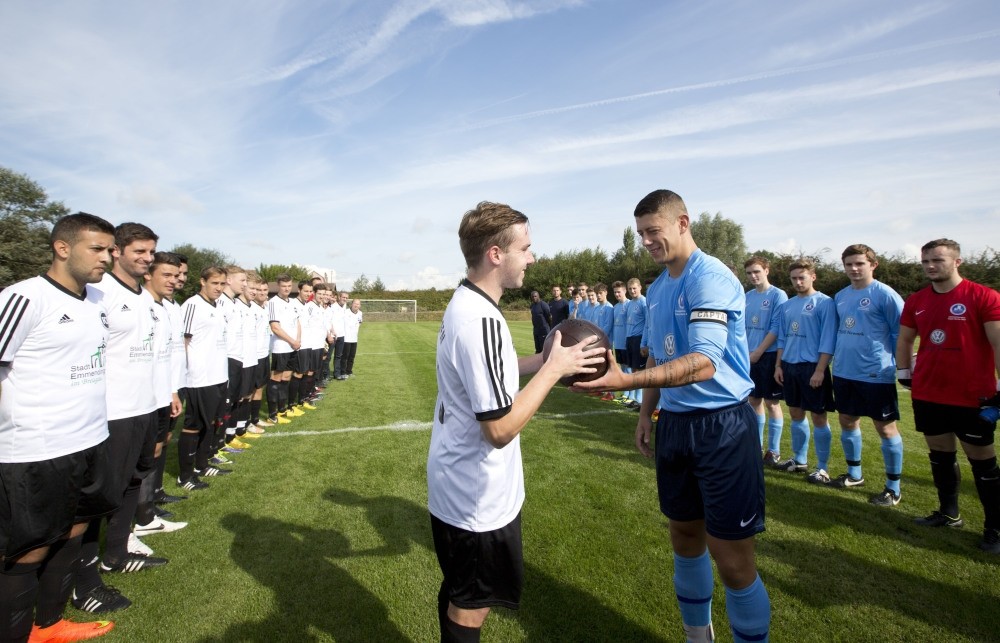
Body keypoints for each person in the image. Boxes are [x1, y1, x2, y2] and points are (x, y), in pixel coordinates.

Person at [575, 190, 770, 643]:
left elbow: (703, 361)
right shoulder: (660, 287)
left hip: (722, 425)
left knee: (733, 558)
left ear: (682, 222)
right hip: (676, 426)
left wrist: (624, 384)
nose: (645, 241)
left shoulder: (711, 277)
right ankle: (697, 637)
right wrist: (647, 413)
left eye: (652, 231)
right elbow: (658, 358)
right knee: (684, 536)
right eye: (641, 234)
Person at [427, 201, 603, 643]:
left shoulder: (470, 303)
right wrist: (552, 371)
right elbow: (500, 429)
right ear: (495, 254)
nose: (532, 257)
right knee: (471, 608)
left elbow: (494, 371)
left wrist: (543, 359)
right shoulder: (480, 320)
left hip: (459, 484)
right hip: (476, 497)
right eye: (525, 248)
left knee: (461, 593)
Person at [0, 213, 120, 642]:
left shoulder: (97, 300)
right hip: (37, 449)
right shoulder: (24, 298)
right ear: (62, 248)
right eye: (98, 248)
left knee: (75, 530)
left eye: (110, 249)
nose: (108, 257)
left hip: (90, 439)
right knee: (27, 550)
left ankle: (48, 624)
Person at [74, 222, 167, 616]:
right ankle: (83, 583)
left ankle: (116, 553)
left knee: (132, 482)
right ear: (118, 252)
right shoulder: (99, 294)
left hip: (144, 408)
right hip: (113, 413)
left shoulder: (145, 297)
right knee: (97, 500)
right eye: (139, 252)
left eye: (151, 252)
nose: (146, 259)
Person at [897, 238, 1000, 553]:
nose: (930, 266)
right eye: (926, 260)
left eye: (937, 260)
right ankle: (948, 512)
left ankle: (994, 527)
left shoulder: (984, 296)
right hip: (929, 392)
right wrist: (904, 373)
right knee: (940, 456)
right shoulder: (917, 300)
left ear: (957, 261)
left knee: (982, 463)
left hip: (973, 395)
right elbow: (904, 339)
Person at [830, 244, 905, 506]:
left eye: (859, 263)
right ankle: (854, 474)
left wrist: (901, 365)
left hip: (875, 372)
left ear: (873, 264)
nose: (853, 268)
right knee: (848, 420)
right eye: (849, 264)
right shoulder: (840, 296)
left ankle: (893, 488)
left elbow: (901, 334)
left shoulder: (885, 295)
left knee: (885, 428)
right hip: (844, 372)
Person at [773, 258, 836, 478]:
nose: (798, 282)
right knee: (795, 413)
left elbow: (828, 340)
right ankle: (799, 461)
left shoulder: (825, 303)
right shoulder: (787, 305)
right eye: (794, 278)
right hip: (789, 367)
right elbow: (782, 338)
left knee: (819, 416)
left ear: (813, 276)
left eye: (802, 277)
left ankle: (822, 467)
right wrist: (778, 365)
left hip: (812, 367)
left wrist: (820, 370)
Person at [178, 266, 232, 490]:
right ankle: (185, 475)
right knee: (194, 425)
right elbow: (183, 341)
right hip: (199, 377)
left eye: (222, 284)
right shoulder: (192, 305)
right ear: (202, 281)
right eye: (214, 283)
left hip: (218, 374)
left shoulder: (218, 306)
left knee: (210, 423)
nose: (219, 288)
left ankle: (202, 465)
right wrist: (187, 372)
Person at [743, 257, 788, 465]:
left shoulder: (778, 295)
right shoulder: (747, 296)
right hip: (748, 354)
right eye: (750, 273)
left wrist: (759, 351)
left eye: (757, 272)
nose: (753, 276)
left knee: (772, 402)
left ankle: (774, 450)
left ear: (766, 270)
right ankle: (756, 444)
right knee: (753, 401)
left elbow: (777, 328)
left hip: (767, 355)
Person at [266, 275, 301, 423]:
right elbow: (275, 327)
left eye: (289, 286)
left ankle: (282, 410)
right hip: (281, 347)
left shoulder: (292, 302)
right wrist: (292, 341)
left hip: (293, 347)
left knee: (286, 378)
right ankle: (272, 414)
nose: (286, 288)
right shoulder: (273, 303)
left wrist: (298, 340)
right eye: (283, 286)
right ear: (278, 286)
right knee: (276, 379)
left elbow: (297, 323)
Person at [623, 277, 647, 409]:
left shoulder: (644, 302)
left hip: (639, 338)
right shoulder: (630, 303)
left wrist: (645, 342)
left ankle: (640, 399)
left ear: (640, 288)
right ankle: (633, 397)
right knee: (633, 368)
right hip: (630, 339)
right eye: (630, 289)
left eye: (634, 288)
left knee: (640, 370)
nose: (632, 291)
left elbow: (648, 323)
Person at [342, 298, 363, 377]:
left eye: (358, 304)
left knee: (352, 356)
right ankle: (343, 372)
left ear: (360, 305)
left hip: (354, 339)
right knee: (345, 356)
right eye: (355, 303)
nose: (356, 305)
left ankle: (349, 371)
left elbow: (360, 322)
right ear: (352, 304)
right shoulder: (346, 312)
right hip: (346, 338)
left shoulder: (360, 313)